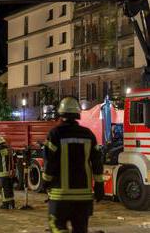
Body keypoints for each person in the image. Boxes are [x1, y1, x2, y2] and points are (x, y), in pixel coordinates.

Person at [42, 97, 104, 233]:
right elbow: (97, 163)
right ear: (77, 113)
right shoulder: (88, 135)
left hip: (60, 197)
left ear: (60, 114)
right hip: (83, 198)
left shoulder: (55, 134)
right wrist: (99, 186)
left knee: (57, 227)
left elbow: (49, 163)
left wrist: (45, 183)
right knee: (81, 230)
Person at [0, 136, 15, 209]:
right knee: (10, 188)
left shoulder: (0, 149)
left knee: (4, 189)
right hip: (10, 172)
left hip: (3, 172)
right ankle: (12, 204)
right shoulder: (9, 148)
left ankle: (5, 204)